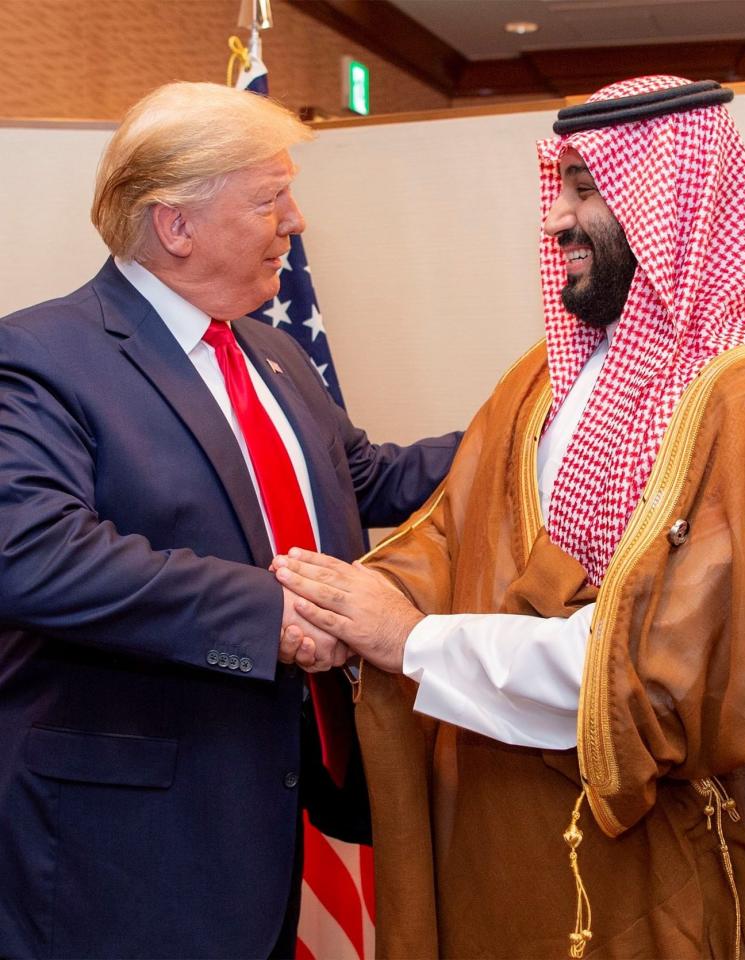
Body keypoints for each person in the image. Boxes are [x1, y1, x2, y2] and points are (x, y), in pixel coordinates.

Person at [274, 76, 745, 958]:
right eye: (557, 186)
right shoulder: (543, 380)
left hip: (675, 876)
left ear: (669, 200)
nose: (555, 220)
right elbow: (456, 533)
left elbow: (666, 676)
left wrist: (410, 643)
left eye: (586, 189)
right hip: (514, 856)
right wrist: (344, 609)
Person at [0, 81, 458, 959]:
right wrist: (268, 618)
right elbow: (35, 555)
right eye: (268, 197)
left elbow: (369, 479)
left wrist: (540, 422)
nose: (296, 219)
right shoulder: (39, 357)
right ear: (175, 225)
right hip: (124, 848)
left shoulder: (268, 348)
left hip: (273, 812)